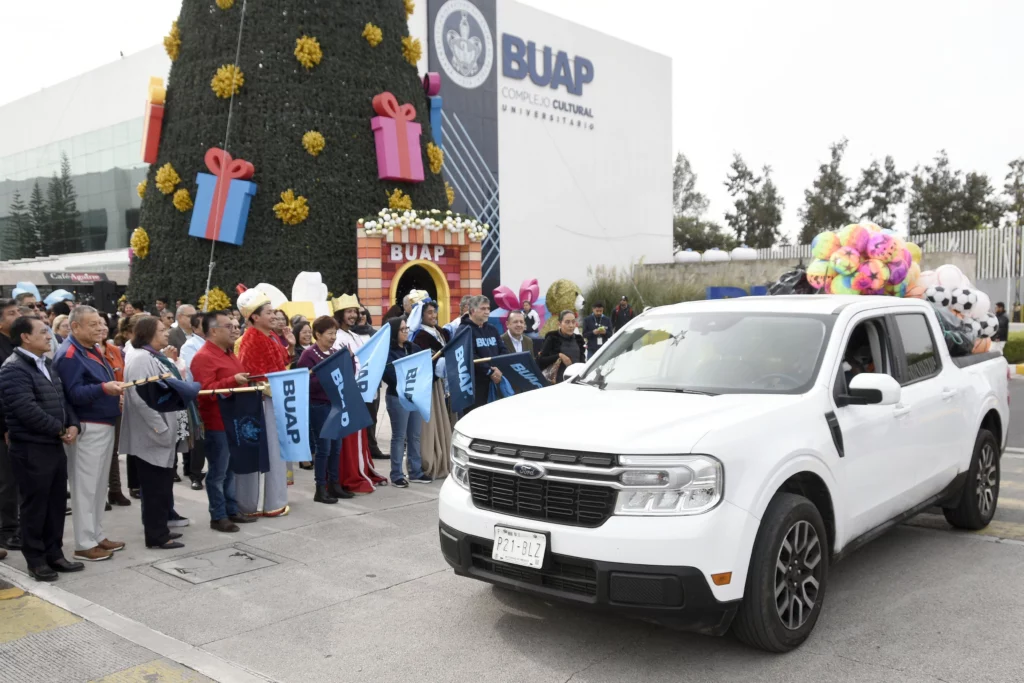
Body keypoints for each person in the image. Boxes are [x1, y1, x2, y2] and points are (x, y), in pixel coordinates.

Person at [0, 316, 84, 581]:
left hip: (53, 445)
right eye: (43, 332)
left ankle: (54, 553)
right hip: (31, 448)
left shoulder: (46, 364)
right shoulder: (13, 368)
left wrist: (72, 424)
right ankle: (35, 559)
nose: (49, 336)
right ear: (25, 337)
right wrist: (59, 429)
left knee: (56, 503)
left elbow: (62, 399)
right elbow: (25, 409)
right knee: (35, 506)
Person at [52, 306, 126, 562]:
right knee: (85, 487)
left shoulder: (91, 348)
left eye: (100, 322)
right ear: (75, 327)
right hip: (87, 425)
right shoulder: (70, 354)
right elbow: (72, 395)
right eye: (92, 324)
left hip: (102, 423)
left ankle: (96, 535)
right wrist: (104, 389)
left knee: (97, 486)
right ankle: (84, 542)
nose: (100, 327)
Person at [120, 317, 184, 550]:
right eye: (161, 330)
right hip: (151, 433)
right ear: (147, 334)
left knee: (162, 485)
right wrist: (160, 427)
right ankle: (156, 535)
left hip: (161, 431)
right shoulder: (139, 358)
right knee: (154, 487)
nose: (167, 333)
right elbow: (140, 399)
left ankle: (161, 529)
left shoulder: (152, 356)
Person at [190, 311, 254, 532]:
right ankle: (218, 515)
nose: (234, 330)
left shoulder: (228, 353)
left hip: (233, 419)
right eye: (229, 326)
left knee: (229, 470)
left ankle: (231, 509)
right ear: (214, 331)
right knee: (218, 472)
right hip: (217, 421)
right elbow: (204, 390)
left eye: (235, 326)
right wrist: (232, 380)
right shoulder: (204, 356)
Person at [235, 291, 290, 517]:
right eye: (268, 313)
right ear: (254, 317)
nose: (273, 316)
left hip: (274, 399)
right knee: (268, 452)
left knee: (277, 453)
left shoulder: (270, 337)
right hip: (262, 403)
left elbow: (280, 364)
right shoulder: (250, 340)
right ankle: (256, 504)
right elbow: (253, 375)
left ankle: (274, 501)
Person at [295, 316, 354, 503]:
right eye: (329, 333)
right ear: (318, 334)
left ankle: (334, 484)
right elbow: (305, 382)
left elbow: (347, 374)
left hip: (336, 404)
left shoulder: (334, 353)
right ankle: (320, 488)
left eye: (335, 333)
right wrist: (326, 375)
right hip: (319, 406)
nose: (333, 337)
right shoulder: (308, 355)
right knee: (324, 448)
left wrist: (350, 359)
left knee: (336, 447)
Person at [334, 296, 386, 461]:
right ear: (340, 314)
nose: (354, 315)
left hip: (362, 390)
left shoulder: (353, 335)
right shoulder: (337, 336)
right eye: (349, 312)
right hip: (349, 393)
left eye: (355, 312)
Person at [382, 317, 431, 487]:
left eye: (407, 328)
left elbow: (423, 366)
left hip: (415, 396)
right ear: (394, 332)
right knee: (399, 436)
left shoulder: (413, 347)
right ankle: (396, 474)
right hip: (397, 397)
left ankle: (415, 472)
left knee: (415, 436)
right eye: (402, 329)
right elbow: (389, 376)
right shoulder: (387, 351)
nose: (406, 331)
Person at [411, 301, 452, 479]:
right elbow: (422, 360)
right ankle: (430, 461)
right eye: (429, 313)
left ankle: (444, 460)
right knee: (431, 424)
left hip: (443, 382)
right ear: (421, 316)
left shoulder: (440, 331)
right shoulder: (419, 336)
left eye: (434, 312)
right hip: (430, 384)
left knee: (444, 421)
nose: (433, 316)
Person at [0, 299, 23, 554]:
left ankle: (13, 526)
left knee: (14, 480)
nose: (18, 316)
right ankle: (7, 531)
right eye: (12, 313)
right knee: (7, 481)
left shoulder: (16, 342)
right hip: (5, 425)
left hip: (17, 424)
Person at [462, 295, 507, 414]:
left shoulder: (492, 329)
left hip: (496, 380)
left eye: (488, 308)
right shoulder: (463, 330)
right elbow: (469, 356)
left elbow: (503, 350)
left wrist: (498, 369)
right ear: (472, 311)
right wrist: (490, 371)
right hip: (474, 386)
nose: (487, 312)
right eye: (483, 308)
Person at [179, 312, 207, 490]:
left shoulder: (214, 343)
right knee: (198, 437)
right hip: (198, 394)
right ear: (195, 328)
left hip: (214, 393)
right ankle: (195, 474)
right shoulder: (190, 345)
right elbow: (196, 371)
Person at [538, 310, 586, 383]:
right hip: (556, 382)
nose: (571, 325)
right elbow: (541, 360)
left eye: (573, 322)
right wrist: (560, 356)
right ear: (559, 324)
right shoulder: (552, 338)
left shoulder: (578, 339)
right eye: (567, 322)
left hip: (575, 381)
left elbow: (582, 362)